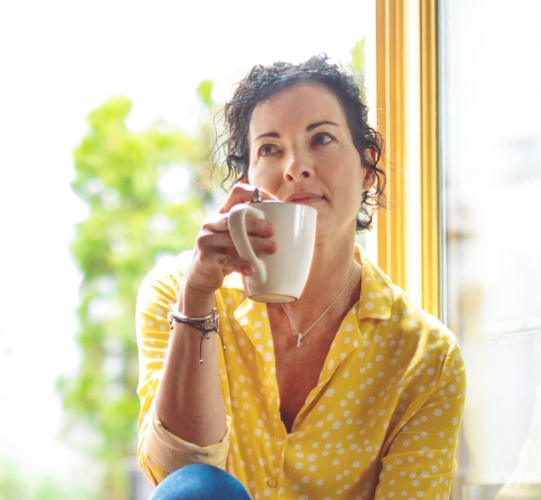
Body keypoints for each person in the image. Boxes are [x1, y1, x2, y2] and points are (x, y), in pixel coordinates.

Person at [136, 55, 465, 500]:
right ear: (248, 179)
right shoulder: (174, 292)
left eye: (322, 138)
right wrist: (196, 298)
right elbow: (177, 479)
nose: (295, 166)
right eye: (270, 148)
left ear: (368, 167)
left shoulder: (426, 358)